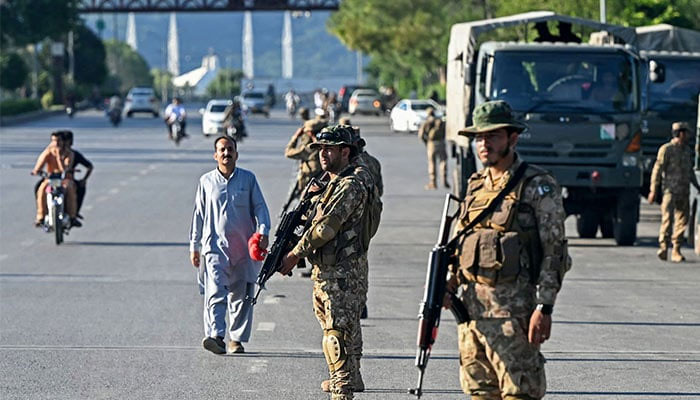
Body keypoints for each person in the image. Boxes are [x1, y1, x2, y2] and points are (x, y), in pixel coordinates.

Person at [448, 100, 571, 399]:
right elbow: (458, 243)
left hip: (514, 317)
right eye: (479, 137)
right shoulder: (475, 185)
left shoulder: (536, 185)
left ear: (512, 139)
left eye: (492, 136)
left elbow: (555, 252)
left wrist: (544, 307)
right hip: (471, 315)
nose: (484, 144)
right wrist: (448, 282)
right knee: (479, 392)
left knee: (520, 393)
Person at [279, 125, 368, 400]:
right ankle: (351, 376)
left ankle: (341, 388)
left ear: (345, 151)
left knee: (335, 331)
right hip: (335, 267)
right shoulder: (334, 181)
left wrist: (295, 254)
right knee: (344, 323)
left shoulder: (350, 185)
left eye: (329, 149)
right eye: (320, 149)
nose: (323, 155)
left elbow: (325, 228)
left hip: (340, 270)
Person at [189, 136, 271, 355]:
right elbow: (199, 214)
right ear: (215, 155)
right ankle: (215, 336)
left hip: (243, 249)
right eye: (222, 150)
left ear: (236, 153)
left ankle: (236, 339)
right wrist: (194, 246)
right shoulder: (206, 181)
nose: (226, 154)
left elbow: (260, 208)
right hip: (214, 247)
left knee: (241, 295)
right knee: (214, 292)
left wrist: (263, 231)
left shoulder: (248, 179)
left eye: (230, 150)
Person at [648, 121, 700, 262]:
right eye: (686, 132)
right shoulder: (667, 149)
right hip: (670, 191)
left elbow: (690, 172)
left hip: (684, 191)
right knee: (667, 220)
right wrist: (653, 190)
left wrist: (697, 186)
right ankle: (663, 248)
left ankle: (676, 249)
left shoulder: (686, 151)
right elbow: (657, 170)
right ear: (681, 133)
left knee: (682, 221)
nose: (688, 135)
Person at [31, 131, 80, 228]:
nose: (56, 143)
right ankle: (40, 216)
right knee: (41, 190)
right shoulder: (48, 151)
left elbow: (65, 168)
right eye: (54, 140)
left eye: (58, 140)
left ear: (62, 142)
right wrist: (36, 170)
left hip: (64, 179)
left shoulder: (68, 153)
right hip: (51, 179)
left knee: (70, 189)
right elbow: (40, 163)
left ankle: (72, 216)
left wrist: (58, 157)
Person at [62, 131, 93, 218]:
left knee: (81, 187)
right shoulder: (53, 153)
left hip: (68, 179)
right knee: (39, 186)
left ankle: (75, 213)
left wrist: (84, 179)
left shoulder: (74, 154)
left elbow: (89, 166)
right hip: (53, 179)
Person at [418, 107, 449, 190]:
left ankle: (433, 182)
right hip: (441, 143)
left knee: (432, 163)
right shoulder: (440, 121)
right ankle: (444, 180)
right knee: (443, 161)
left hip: (431, 143)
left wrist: (426, 142)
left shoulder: (426, 122)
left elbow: (421, 135)